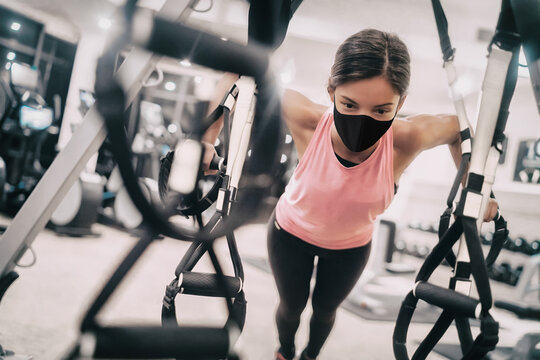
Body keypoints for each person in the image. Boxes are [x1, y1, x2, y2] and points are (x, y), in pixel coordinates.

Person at [201, 28, 498, 360]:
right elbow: (239, 70)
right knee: (291, 307)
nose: (363, 121)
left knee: (325, 311)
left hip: (350, 248)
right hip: (289, 234)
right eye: (350, 104)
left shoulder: (406, 138)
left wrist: (474, 188)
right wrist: (206, 141)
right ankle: (285, 352)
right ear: (331, 92)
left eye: (382, 110)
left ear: (402, 104)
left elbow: (461, 129)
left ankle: (310, 356)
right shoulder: (309, 121)